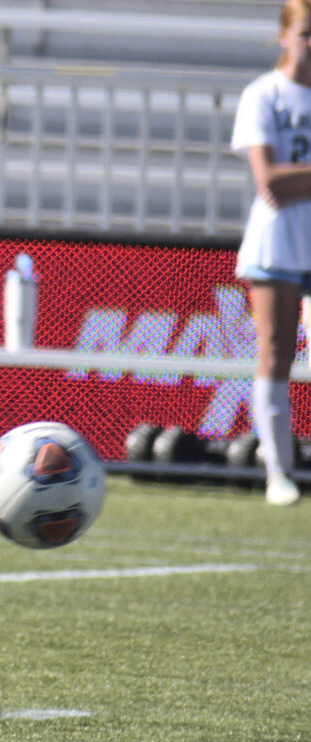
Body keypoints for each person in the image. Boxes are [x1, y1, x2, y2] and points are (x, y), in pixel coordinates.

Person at [232, 0, 311, 506]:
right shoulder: (263, 94)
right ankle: (277, 472)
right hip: (277, 240)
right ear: (284, 35)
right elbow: (270, 183)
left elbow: (290, 178)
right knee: (276, 354)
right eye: (306, 31)